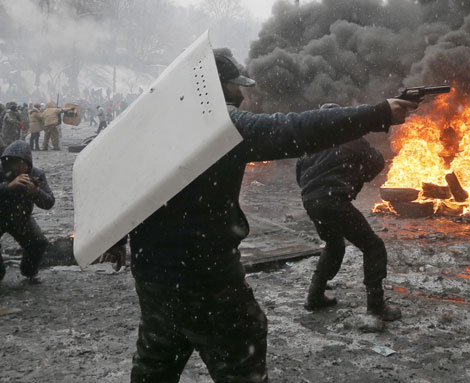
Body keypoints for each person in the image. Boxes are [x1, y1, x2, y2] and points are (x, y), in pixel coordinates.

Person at [101, 50, 416, 383]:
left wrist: (113, 236)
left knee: (156, 362)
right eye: (235, 85)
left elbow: (121, 181)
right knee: (241, 359)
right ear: (213, 85)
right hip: (207, 276)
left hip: (153, 275)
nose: (242, 93)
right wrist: (379, 113)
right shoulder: (220, 126)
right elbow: (291, 130)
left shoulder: (151, 127)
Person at [296, 103, 401, 320]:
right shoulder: (349, 137)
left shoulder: (311, 145)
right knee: (373, 246)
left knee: (334, 246)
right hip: (333, 200)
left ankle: (314, 296)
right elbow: (377, 161)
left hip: (312, 202)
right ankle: (376, 307)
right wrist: (359, 177)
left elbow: (301, 175)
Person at [0, 141, 55, 283]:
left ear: (28, 164)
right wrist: (8, 187)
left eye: (20, 163)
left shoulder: (36, 174)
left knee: (38, 243)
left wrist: (36, 193)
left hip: (20, 217)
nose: (16, 167)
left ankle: (29, 272)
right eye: (12, 163)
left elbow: (49, 202)